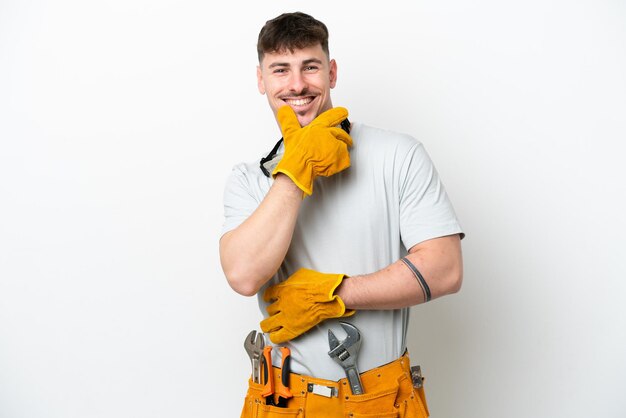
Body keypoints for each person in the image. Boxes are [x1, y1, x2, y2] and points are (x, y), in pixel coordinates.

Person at [220, 11, 464, 418]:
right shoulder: (250, 180)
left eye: (310, 67)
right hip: (281, 403)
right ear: (261, 80)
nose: (297, 84)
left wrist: (334, 295)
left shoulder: (398, 155)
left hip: (381, 402)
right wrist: (295, 169)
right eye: (280, 70)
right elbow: (244, 275)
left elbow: (445, 270)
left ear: (331, 72)